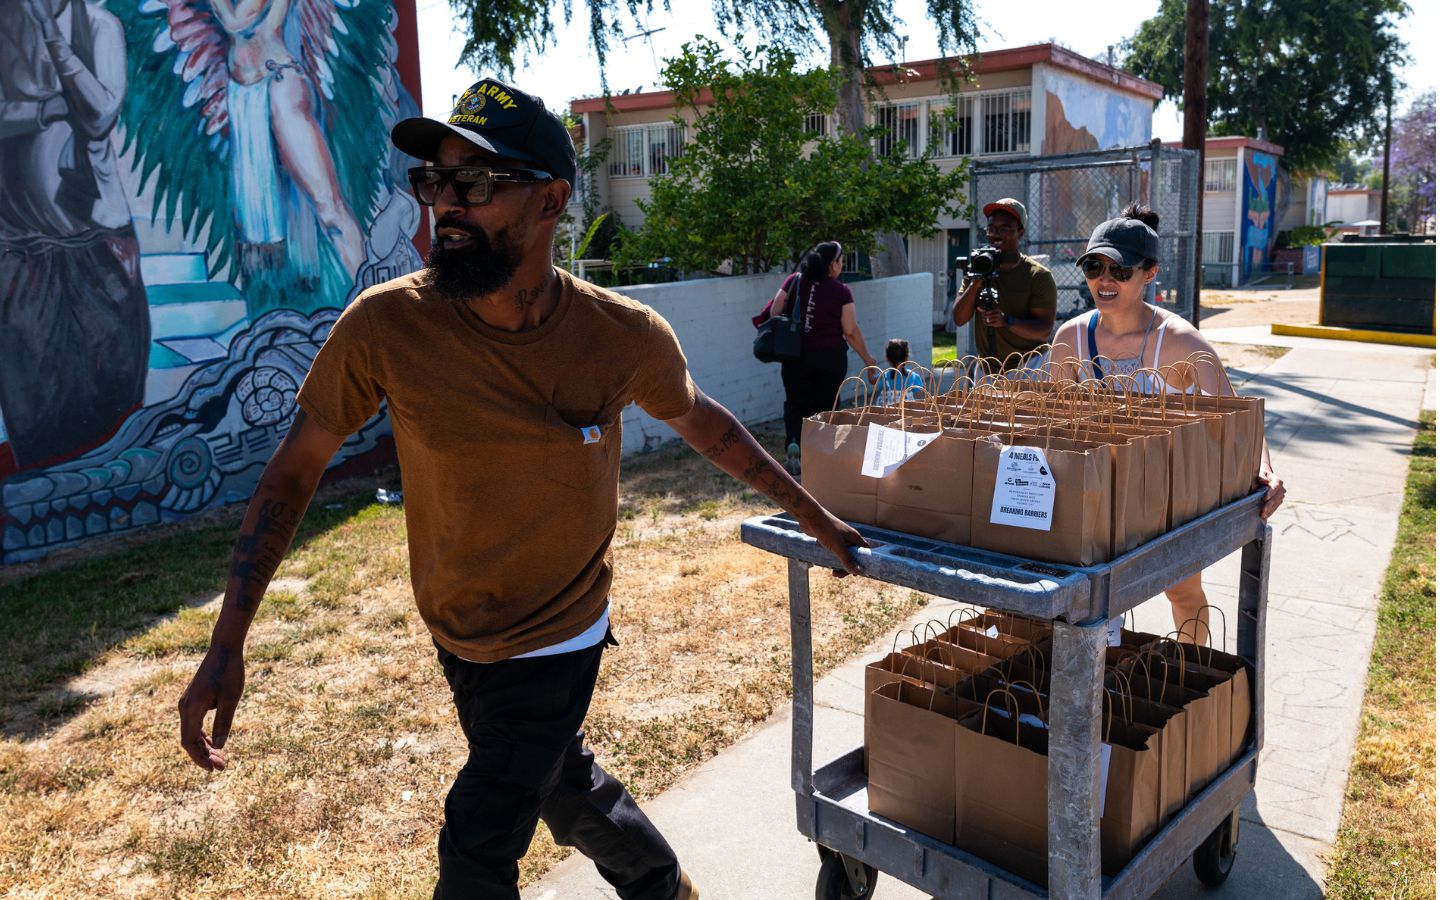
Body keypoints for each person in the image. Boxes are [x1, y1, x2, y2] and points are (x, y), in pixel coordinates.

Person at [176, 77, 868, 900]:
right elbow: (294, 472)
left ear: (550, 200)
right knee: (558, 783)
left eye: (475, 183)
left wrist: (816, 517)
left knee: (480, 841)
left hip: (559, 634)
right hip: (461, 630)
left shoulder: (621, 336)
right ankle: (662, 887)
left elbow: (706, 425)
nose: (447, 207)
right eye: (435, 182)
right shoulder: (386, 327)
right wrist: (228, 640)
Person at [1049, 203, 1287, 642]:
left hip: (1163, 492)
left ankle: (1190, 676)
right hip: (1094, 488)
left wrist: (1265, 469)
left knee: (1181, 590)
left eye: (1120, 271)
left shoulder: (1177, 341)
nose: (1105, 280)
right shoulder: (1070, 338)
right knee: (1077, 598)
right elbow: (1051, 419)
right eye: (1094, 266)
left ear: (1149, 273)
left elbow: (1236, 416)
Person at [0, 0, 150, 475]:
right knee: (31, 392)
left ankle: (117, 487)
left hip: (98, 237)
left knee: (114, 377)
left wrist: (52, 35)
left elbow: (98, 114)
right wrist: (46, 108)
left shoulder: (100, 26)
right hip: (19, 245)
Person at [768, 240, 876, 475]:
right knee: (825, 407)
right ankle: (818, 456)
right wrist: (868, 359)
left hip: (795, 357)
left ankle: (794, 442)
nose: (842, 265)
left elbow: (774, 312)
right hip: (830, 359)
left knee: (796, 403)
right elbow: (849, 330)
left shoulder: (793, 281)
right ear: (832, 264)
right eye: (841, 260)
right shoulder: (841, 292)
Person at [950, 198, 1057, 373]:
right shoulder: (978, 268)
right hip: (987, 368)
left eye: (1004, 229)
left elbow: (1043, 331)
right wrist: (976, 282)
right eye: (991, 229)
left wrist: (1006, 321)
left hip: (1029, 366)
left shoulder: (1038, 276)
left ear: (1020, 232)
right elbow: (959, 318)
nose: (996, 234)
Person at [874, 338, 927, 406]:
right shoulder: (913, 377)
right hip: (906, 413)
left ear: (887, 358)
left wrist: (870, 367)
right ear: (906, 359)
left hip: (887, 414)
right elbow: (919, 394)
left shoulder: (883, 376)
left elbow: (873, 382)